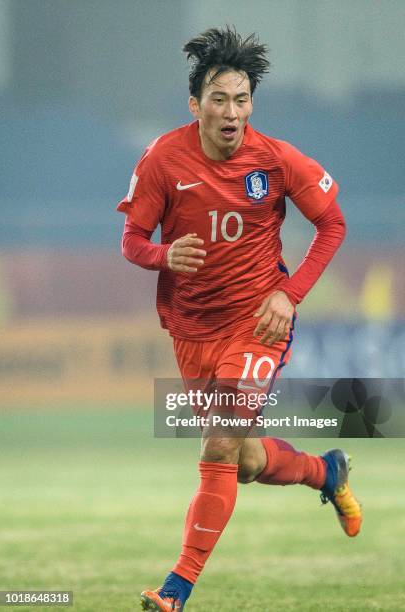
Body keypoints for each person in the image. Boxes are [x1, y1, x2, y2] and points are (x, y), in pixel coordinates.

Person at [117, 26, 362, 612]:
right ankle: (325, 472)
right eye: (220, 99)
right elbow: (131, 239)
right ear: (195, 104)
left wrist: (290, 294)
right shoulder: (161, 159)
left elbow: (333, 224)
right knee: (245, 459)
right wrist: (161, 255)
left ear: (253, 102)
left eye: (243, 98)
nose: (233, 112)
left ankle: (176, 590)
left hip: (258, 323)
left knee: (220, 441)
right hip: (191, 328)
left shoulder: (276, 160)